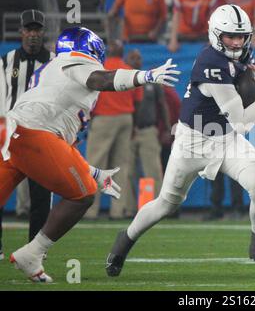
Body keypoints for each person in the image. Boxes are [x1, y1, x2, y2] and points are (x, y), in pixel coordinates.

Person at [105, 4, 255, 277]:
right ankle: (123, 242)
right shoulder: (212, 63)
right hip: (193, 140)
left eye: (241, 36)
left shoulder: (243, 55)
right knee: (166, 204)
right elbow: (243, 121)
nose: (236, 42)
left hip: (226, 139)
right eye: (230, 36)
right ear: (215, 35)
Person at [0, 27, 179, 283]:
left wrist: (93, 171)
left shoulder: (54, 68)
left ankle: (32, 253)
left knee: (84, 184)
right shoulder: (75, 62)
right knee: (83, 194)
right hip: (33, 134)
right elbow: (101, 80)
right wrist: (145, 75)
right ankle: (33, 252)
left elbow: (59, 146)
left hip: (17, 133)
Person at [0, 9, 54, 261]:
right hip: (10, 137)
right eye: (29, 29)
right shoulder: (6, 61)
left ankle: (34, 252)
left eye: (37, 30)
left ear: (43, 32)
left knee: (41, 199)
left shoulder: (55, 62)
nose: (33, 35)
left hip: (40, 137)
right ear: (21, 31)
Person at [84, 40, 143, 220]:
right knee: (121, 166)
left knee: (95, 165)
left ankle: (90, 211)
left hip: (104, 118)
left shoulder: (99, 68)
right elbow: (138, 101)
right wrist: (134, 124)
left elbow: (89, 97)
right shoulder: (129, 70)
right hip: (126, 118)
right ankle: (118, 210)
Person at [123, 49, 171, 217]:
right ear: (126, 60)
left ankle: (157, 209)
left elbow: (162, 104)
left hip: (148, 130)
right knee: (127, 172)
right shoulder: (122, 81)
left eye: (139, 57)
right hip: (128, 132)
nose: (136, 60)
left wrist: (166, 128)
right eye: (132, 58)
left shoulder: (151, 80)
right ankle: (128, 209)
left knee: (153, 172)